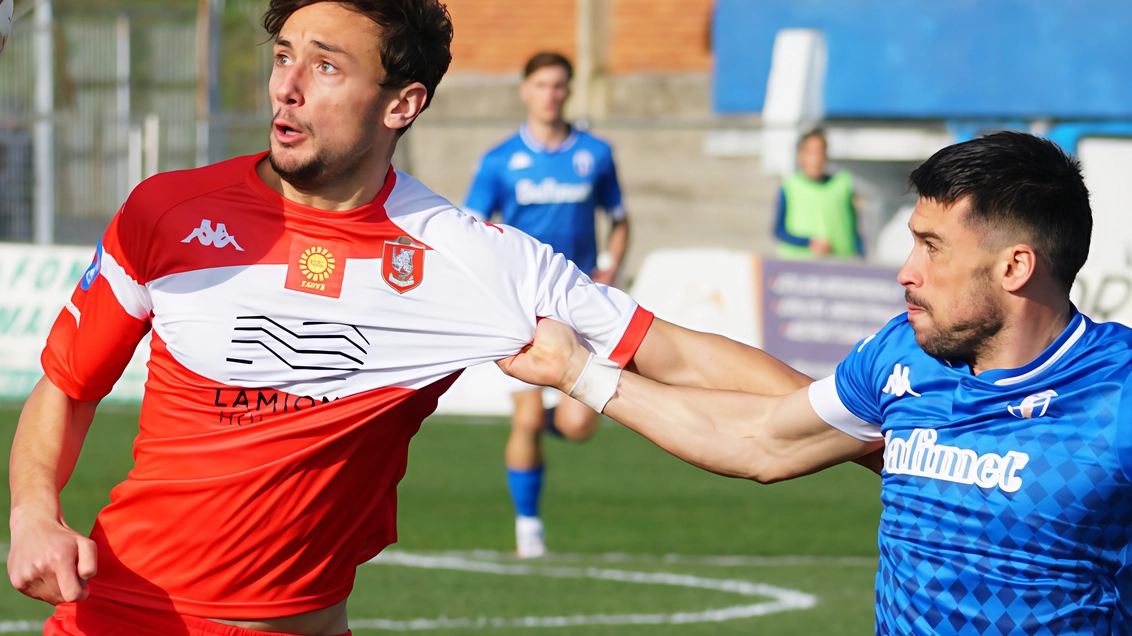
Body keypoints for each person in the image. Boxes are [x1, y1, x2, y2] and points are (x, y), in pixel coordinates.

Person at [7, 2, 816, 634]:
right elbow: (68, 385)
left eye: (326, 66)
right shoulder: (167, 213)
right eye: (284, 56)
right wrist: (34, 511)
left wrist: (870, 419)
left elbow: (673, 352)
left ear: (404, 103)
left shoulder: (475, 260)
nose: (287, 85)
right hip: (119, 617)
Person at [500, 132, 1132, 634]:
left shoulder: (1117, 394)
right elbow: (763, 438)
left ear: (1015, 266)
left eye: (932, 247)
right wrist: (579, 372)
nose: (906, 272)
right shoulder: (902, 359)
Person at [463, 52, 629, 557]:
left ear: (568, 91)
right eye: (541, 84)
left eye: (559, 85)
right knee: (527, 418)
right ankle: (528, 528)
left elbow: (619, 218)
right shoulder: (499, 160)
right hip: (520, 306)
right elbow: (471, 229)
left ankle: (541, 433)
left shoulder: (595, 154)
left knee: (580, 424)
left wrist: (609, 266)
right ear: (525, 90)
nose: (550, 94)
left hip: (578, 299)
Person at [774, 129, 863, 259]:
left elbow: (854, 228)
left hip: (841, 264)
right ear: (801, 156)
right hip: (799, 265)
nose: (816, 158)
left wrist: (861, 254)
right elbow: (779, 231)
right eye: (811, 152)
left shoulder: (843, 183)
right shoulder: (789, 186)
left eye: (820, 152)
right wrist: (809, 242)